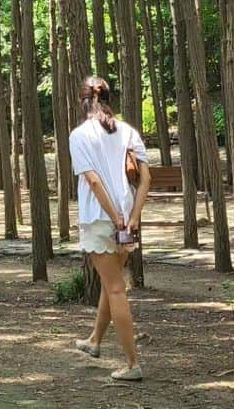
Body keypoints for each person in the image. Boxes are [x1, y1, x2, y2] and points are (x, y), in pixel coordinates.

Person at [68, 76, 151, 381]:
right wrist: (132, 216)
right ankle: (94, 341)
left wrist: (114, 214)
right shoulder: (128, 131)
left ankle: (132, 363)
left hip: (100, 217)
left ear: (83, 101)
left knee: (115, 287)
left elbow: (92, 180)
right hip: (127, 218)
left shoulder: (79, 136)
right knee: (111, 282)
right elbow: (145, 179)